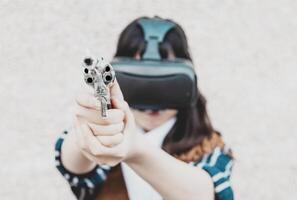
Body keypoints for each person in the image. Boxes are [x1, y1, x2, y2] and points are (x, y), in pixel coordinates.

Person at [54, 16, 234, 200]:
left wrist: (135, 148)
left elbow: (206, 194)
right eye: (140, 81)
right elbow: (74, 160)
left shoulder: (209, 146)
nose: (153, 95)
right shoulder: (106, 134)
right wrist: (93, 128)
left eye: (165, 81)